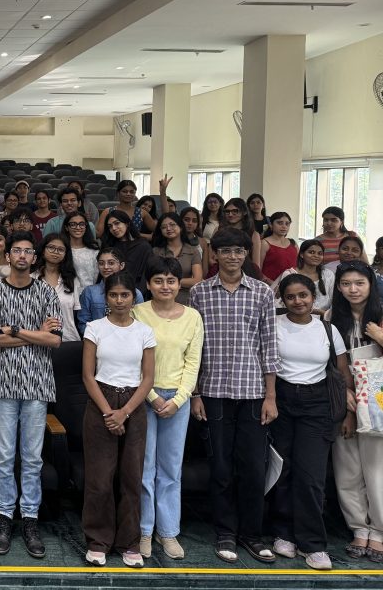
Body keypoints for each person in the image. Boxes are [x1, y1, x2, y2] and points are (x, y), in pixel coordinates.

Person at [189, 228, 279, 564]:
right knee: (221, 467)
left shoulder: (262, 292)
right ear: (214, 254)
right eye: (225, 251)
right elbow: (193, 348)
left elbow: (269, 347)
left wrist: (271, 396)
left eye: (238, 251)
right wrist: (195, 393)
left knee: (253, 467)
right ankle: (225, 532)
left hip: (253, 392)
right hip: (212, 392)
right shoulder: (199, 293)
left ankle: (252, 535)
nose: (232, 256)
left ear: (245, 254)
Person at [0, 230, 62, 559]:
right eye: (17, 251)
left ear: (34, 257)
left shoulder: (46, 291)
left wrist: (14, 330)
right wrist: (35, 333)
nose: (23, 256)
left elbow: (55, 340)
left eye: (28, 251)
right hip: (1, 383)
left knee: (32, 458)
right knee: (3, 456)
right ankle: (3, 515)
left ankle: (29, 518)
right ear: (9, 256)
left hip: (37, 384)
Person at [269, 273, 351, 571]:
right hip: (281, 400)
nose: (297, 301)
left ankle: (313, 544)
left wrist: (349, 413)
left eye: (303, 295)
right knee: (282, 469)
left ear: (313, 297)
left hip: (318, 404)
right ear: (282, 299)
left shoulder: (328, 329)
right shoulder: (274, 324)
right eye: (290, 297)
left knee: (311, 475)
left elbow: (342, 373)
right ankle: (283, 534)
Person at [81, 271, 156, 567]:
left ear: (133, 297)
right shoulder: (94, 328)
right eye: (114, 295)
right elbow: (88, 376)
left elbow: (148, 378)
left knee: (131, 477)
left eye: (125, 295)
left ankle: (129, 542)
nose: (120, 300)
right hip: (101, 400)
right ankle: (98, 541)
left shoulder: (144, 331)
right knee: (99, 479)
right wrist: (108, 412)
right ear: (106, 298)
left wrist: (124, 412)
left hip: (133, 404)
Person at [133, 257, 204, 561]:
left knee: (171, 469)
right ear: (148, 285)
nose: (165, 286)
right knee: (145, 468)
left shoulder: (193, 317)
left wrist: (178, 399)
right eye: (159, 280)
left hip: (178, 400)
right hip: (143, 398)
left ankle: (168, 531)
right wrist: (151, 397)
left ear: (179, 285)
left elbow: (193, 362)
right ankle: (144, 531)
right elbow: (133, 360)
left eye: (171, 281)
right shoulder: (137, 313)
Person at [328, 261, 383, 563]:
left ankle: (379, 532)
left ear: (371, 285)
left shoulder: (380, 316)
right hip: (343, 398)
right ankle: (359, 528)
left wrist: (379, 336)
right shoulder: (330, 318)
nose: (353, 289)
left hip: (377, 400)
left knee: (376, 468)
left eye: (359, 283)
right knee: (347, 468)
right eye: (346, 283)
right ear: (338, 287)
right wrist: (344, 392)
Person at [77, 247, 142, 331]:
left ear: (122, 265)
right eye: (101, 263)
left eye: (111, 263)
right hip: (97, 337)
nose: (106, 267)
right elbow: (83, 323)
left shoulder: (135, 293)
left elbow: (139, 322)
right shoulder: (89, 292)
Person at [271, 240, 334, 316]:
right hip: (295, 317)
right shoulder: (290, 274)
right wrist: (317, 312)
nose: (316, 256)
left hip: (324, 317)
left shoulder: (328, 274)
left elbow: (333, 300)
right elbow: (280, 302)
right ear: (301, 254)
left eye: (320, 253)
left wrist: (327, 316)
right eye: (311, 252)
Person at [151, 213, 203, 303]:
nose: (168, 228)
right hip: (161, 299)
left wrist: (168, 281)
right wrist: (182, 282)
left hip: (186, 299)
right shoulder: (156, 251)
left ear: (181, 227)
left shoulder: (193, 251)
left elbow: (197, 280)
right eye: (164, 227)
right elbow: (152, 278)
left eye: (172, 225)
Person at [38, 233, 80, 341]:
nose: (56, 252)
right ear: (43, 250)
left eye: (61, 249)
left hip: (68, 340)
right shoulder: (31, 278)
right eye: (51, 247)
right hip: (38, 340)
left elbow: (76, 313)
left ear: (66, 254)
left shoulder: (71, 280)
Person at [100, 209, 152, 293]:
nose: (114, 228)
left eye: (117, 223)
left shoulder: (143, 246)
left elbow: (146, 275)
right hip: (109, 291)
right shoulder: (108, 246)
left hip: (136, 293)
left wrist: (135, 295)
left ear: (127, 224)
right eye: (110, 226)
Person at [62, 212, 99, 290]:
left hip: (90, 292)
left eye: (82, 224)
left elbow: (97, 277)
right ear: (66, 227)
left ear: (86, 227)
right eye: (73, 224)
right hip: (67, 292)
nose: (78, 227)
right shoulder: (61, 250)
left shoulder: (94, 250)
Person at [260, 212, 298, 284]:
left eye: (287, 224)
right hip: (271, 286)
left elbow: (300, 266)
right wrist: (274, 285)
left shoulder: (293, 243)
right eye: (280, 223)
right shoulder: (264, 243)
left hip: (293, 285)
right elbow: (257, 270)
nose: (284, 226)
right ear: (271, 225)